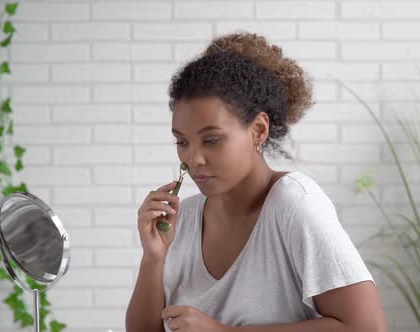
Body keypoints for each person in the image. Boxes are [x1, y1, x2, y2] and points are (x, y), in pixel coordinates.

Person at [126, 32, 387, 332]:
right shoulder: (181, 220)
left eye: (211, 140)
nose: (193, 158)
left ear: (259, 130)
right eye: (182, 142)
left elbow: (367, 327)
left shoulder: (295, 205)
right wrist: (153, 257)